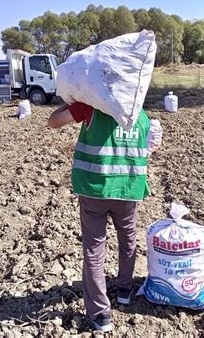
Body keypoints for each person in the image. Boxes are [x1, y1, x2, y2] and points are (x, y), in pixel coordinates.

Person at [48, 102, 161, 332]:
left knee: (94, 248)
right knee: (128, 239)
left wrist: (72, 99)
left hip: (94, 190)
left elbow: (53, 121)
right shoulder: (139, 114)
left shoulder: (90, 106)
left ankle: (100, 314)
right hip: (128, 190)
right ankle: (124, 291)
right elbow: (151, 145)